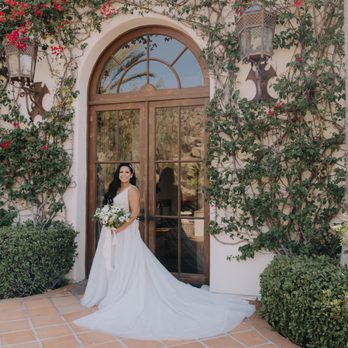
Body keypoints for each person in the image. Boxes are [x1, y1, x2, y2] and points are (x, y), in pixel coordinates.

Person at [74, 162, 254, 340]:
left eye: (126, 172)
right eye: (121, 171)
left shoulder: (132, 190)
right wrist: (109, 223)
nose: (123, 174)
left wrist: (118, 229)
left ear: (131, 174)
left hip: (125, 234)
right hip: (113, 233)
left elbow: (134, 213)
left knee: (128, 262)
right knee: (116, 263)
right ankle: (112, 291)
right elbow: (114, 210)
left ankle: (126, 293)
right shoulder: (115, 190)